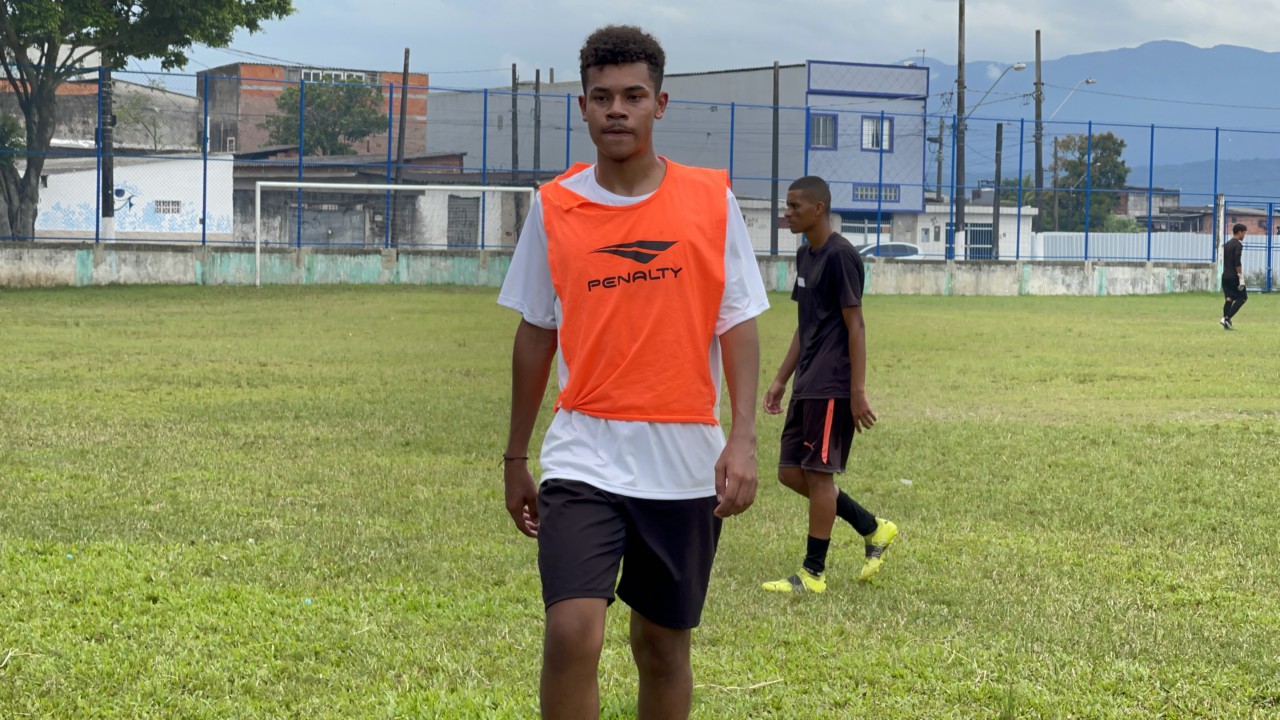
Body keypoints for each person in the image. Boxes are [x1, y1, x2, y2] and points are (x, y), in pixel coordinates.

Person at [498, 24, 769, 720]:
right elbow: (535, 331)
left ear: (660, 104)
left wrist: (742, 439)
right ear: (581, 107)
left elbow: (736, 321)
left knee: (661, 646)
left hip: (683, 460)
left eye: (633, 95)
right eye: (602, 96)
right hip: (582, 453)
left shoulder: (711, 201)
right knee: (571, 632)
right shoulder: (554, 207)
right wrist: (514, 455)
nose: (617, 109)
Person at [761, 176, 897, 594]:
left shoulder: (841, 256)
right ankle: (873, 528)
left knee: (819, 477)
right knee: (789, 472)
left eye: (795, 206)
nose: (788, 213)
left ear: (819, 208)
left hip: (832, 385)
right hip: (807, 384)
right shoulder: (806, 256)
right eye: (787, 206)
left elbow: (855, 323)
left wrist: (857, 391)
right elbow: (806, 327)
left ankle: (812, 574)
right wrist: (782, 379)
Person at [1221, 223, 1247, 330]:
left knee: (1229, 298)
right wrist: (1240, 277)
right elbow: (1237, 261)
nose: (1244, 235)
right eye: (1244, 232)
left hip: (1225, 276)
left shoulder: (1227, 244)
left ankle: (1226, 324)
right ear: (1239, 232)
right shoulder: (1238, 245)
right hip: (1233, 277)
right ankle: (1226, 318)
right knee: (1243, 297)